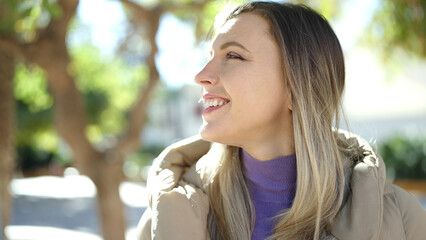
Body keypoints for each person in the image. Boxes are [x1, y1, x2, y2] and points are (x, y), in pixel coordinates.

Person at [136, 2, 426, 240]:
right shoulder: (168, 213)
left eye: (233, 56)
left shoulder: (401, 220)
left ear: (297, 88)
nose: (200, 75)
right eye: (210, 55)